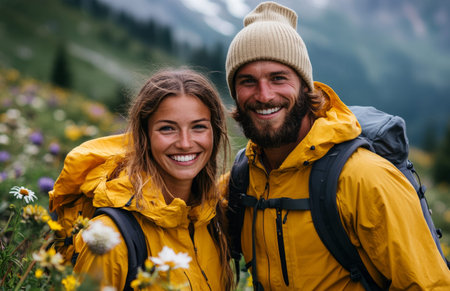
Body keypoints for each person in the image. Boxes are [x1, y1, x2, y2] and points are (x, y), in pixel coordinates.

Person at [225, 1, 450, 290]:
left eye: (278, 78)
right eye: (247, 81)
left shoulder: (363, 178)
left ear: (306, 87)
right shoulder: (241, 181)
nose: (264, 95)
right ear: (235, 94)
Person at [50, 68, 234, 290]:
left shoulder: (211, 218)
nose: (185, 143)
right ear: (143, 136)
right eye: (167, 128)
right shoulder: (109, 238)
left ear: (214, 132)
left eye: (198, 127)